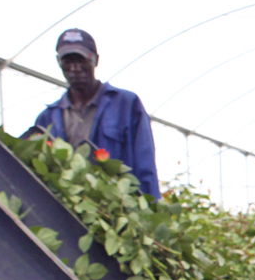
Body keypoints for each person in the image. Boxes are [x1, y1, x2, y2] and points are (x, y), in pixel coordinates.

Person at [27, 29, 160, 198]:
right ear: (58, 62)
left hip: (117, 206)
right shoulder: (47, 118)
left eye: (81, 60)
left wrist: (150, 208)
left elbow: (145, 165)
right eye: (67, 61)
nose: (74, 68)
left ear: (95, 60)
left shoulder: (126, 105)